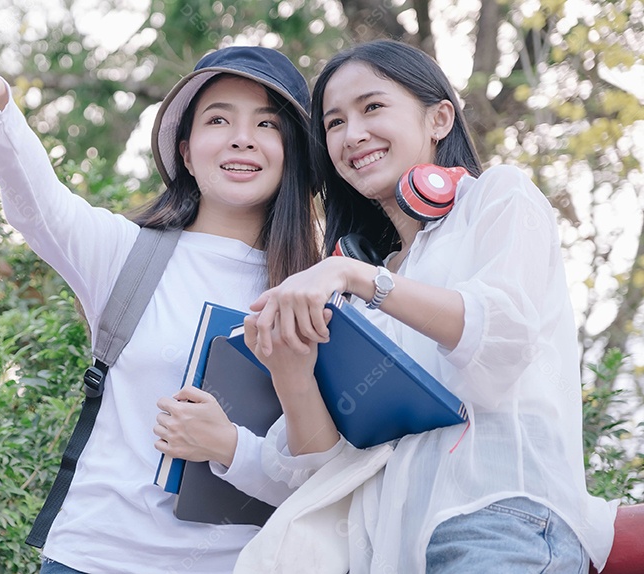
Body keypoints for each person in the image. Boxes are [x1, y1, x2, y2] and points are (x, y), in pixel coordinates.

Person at [0, 34, 332, 573]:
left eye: (267, 124)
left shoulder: (319, 290)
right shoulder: (126, 253)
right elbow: (38, 208)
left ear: (293, 154)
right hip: (91, 558)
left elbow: (325, 474)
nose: (243, 140)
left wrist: (230, 447)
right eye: (218, 120)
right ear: (186, 152)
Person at [238, 39, 617, 573]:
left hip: (499, 523)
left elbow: (500, 338)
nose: (353, 134)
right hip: (395, 551)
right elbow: (329, 463)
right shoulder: (376, 280)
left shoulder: (498, 198)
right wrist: (290, 370)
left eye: (372, 107)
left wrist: (357, 277)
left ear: (440, 118)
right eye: (335, 123)